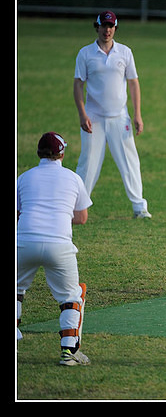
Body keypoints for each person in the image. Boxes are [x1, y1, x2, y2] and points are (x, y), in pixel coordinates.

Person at [17, 132, 93, 366]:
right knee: (71, 297)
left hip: (24, 241)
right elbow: (81, 218)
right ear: (62, 153)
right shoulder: (72, 178)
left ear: (39, 153)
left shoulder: (24, 177)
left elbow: (18, 213)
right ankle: (68, 353)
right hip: (59, 245)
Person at [73, 10, 151, 218]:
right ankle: (77, 208)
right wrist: (82, 115)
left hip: (120, 117)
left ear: (115, 28)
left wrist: (137, 115)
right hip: (93, 118)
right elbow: (78, 85)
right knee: (88, 163)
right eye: (104, 26)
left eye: (111, 26)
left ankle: (139, 207)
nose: (107, 30)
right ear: (97, 27)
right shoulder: (86, 53)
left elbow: (133, 83)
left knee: (129, 161)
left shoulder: (125, 52)